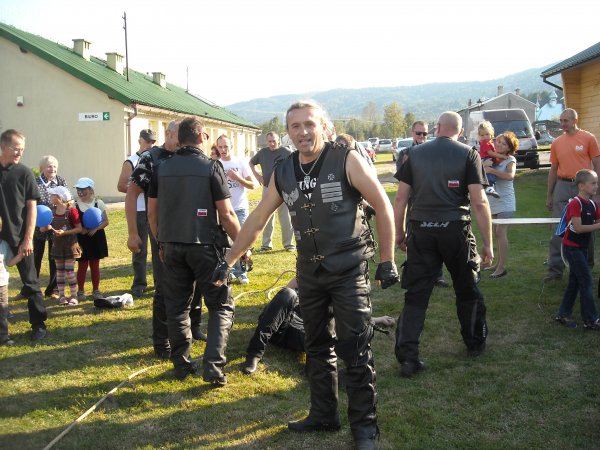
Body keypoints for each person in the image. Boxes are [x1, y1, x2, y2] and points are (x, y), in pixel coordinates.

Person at [214, 100, 398, 449]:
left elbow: (383, 204)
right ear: (288, 132)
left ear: (324, 126)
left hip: (348, 269)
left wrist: (387, 259)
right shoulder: (283, 171)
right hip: (310, 272)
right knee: (316, 345)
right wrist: (229, 259)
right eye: (295, 126)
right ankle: (324, 413)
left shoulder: (346, 159)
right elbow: (258, 218)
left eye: (309, 124)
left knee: (355, 348)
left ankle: (365, 428)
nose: (303, 132)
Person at [394, 111, 492, 378]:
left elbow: (401, 198)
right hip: (455, 229)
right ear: (459, 131)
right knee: (467, 288)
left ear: (437, 128)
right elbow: (479, 201)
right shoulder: (468, 154)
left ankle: (408, 357)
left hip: (421, 230)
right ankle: (475, 343)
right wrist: (488, 244)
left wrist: (399, 233)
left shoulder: (414, 153)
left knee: (416, 295)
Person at [147, 117, 243, 384]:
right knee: (221, 305)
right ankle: (213, 366)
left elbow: (152, 214)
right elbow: (227, 214)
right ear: (202, 137)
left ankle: (181, 363)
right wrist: (241, 246)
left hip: (172, 246)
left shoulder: (161, 168)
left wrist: (161, 243)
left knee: (177, 306)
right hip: (205, 246)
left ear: (179, 138)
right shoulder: (211, 167)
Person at [126, 121, 205, 359]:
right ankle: (162, 342)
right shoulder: (151, 158)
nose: (183, 141)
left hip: (191, 229)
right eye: (179, 136)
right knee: (165, 285)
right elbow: (132, 193)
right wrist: (133, 232)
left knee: (195, 279)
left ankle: (193, 326)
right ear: (169, 134)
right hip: (162, 230)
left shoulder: (189, 155)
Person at [242, 276, 395, 375]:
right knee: (288, 294)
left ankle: (335, 373)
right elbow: (287, 293)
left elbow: (347, 318)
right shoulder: (308, 272)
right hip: (280, 322)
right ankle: (254, 353)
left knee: (324, 336)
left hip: (304, 333)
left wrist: (376, 320)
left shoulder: (340, 290)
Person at [0, 129, 48, 341]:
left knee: (31, 282)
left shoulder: (24, 173)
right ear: (3, 146)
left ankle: (39, 324)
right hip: (1, 237)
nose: (20, 152)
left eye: (22, 149)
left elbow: (32, 208)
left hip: (20, 236)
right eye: (16, 148)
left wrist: (28, 238)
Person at [545, 108, 600, 282]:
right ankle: (555, 270)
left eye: (565, 121)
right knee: (559, 227)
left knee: (585, 227)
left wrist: (596, 193)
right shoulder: (557, 142)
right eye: (561, 121)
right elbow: (553, 169)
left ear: (575, 120)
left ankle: (586, 268)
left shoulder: (588, 138)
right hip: (562, 185)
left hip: (583, 187)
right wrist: (549, 194)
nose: (562, 124)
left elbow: (598, 165)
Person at [396, 121, 450, 288]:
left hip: (432, 200)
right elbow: (401, 180)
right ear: (412, 133)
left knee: (437, 237)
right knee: (412, 239)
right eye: (418, 133)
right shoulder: (405, 153)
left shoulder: (434, 151)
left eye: (425, 134)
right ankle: (414, 274)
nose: (421, 136)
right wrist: (406, 164)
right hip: (413, 201)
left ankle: (437, 275)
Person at [555, 169, 600, 330]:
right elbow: (579, 228)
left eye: (597, 183)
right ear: (581, 186)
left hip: (582, 248)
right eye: (593, 183)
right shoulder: (575, 203)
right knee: (586, 282)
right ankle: (591, 319)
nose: (596, 186)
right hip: (572, 249)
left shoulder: (592, 204)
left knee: (574, 282)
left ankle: (563, 314)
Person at [118, 129, 156, 297]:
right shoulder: (131, 161)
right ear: (140, 140)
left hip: (153, 209)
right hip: (139, 210)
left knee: (158, 247)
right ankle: (139, 283)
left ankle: (159, 282)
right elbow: (121, 185)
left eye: (152, 142)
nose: (150, 145)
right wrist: (139, 188)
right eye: (147, 141)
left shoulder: (155, 158)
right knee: (140, 250)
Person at [216, 134, 257, 285]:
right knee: (225, 243)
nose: (223, 150)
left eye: (226, 146)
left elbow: (253, 185)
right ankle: (230, 271)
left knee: (241, 240)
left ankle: (242, 272)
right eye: (220, 147)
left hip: (239, 208)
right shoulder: (216, 164)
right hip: (223, 210)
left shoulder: (240, 162)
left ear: (231, 147)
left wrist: (237, 178)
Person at [249, 132, 295, 252]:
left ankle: (289, 244)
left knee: (285, 217)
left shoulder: (286, 152)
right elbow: (251, 163)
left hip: (283, 188)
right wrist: (258, 176)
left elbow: (296, 163)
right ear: (267, 141)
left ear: (278, 140)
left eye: (274, 141)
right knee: (267, 217)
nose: (272, 143)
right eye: (269, 141)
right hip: (268, 188)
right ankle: (266, 244)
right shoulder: (262, 153)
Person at [31, 155, 68, 300]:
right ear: (42, 168)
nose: (52, 169)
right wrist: (39, 224)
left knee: (55, 257)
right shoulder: (35, 183)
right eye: (49, 166)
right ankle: (32, 288)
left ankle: (53, 289)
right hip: (39, 225)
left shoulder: (61, 181)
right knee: (36, 256)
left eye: (54, 166)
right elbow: (30, 205)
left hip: (56, 225)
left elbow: (67, 201)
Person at [483, 131, 518, 279]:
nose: (499, 145)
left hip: (506, 201)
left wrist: (491, 170)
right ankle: (497, 264)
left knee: (500, 232)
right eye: (498, 142)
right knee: (495, 233)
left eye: (504, 144)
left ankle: (502, 268)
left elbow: (510, 176)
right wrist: (484, 166)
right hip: (493, 201)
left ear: (509, 148)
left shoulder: (510, 160)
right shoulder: (491, 158)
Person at [43, 186, 82, 305]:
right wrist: (46, 227)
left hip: (70, 246)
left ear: (59, 198)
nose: (50, 196)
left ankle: (74, 296)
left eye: (52, 195)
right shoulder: (51, 211)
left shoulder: (71, 211)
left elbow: (79, 229)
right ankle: (62, 296)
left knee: (69, 272)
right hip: (57, 247)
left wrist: (64, 233)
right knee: (59, 272)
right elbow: (42, 228)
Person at [74, 177, 109, 300]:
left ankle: (96, 290)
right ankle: (80, 291)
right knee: (82, 265)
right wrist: (81, 229)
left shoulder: (99, 203)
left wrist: (96, 228)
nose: (80, 192)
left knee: (95, 265)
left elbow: (106, 221)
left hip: (96, 238)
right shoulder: (75, 205)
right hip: (82, 239)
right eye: (78, 189)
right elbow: (73, 222)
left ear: (90, 189)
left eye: (83, 189)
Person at [0, 216, 23, 346]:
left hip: (1, 284)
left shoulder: (4, 244)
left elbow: (9, 262)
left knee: (2, 311)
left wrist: (20, 255)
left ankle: (3, 337)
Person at [477, 121, 504, 199]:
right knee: (489, 173)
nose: (485, 137)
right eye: (482, 135)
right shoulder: (484, 143)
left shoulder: (490, 142)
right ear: (479, 135)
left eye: (487, 134)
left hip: (489, 158)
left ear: (492, 133)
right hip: (487, 158)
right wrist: (502, 156)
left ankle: (489, 187)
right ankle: (489, 187)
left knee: (491, 172)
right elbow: (491, 153)